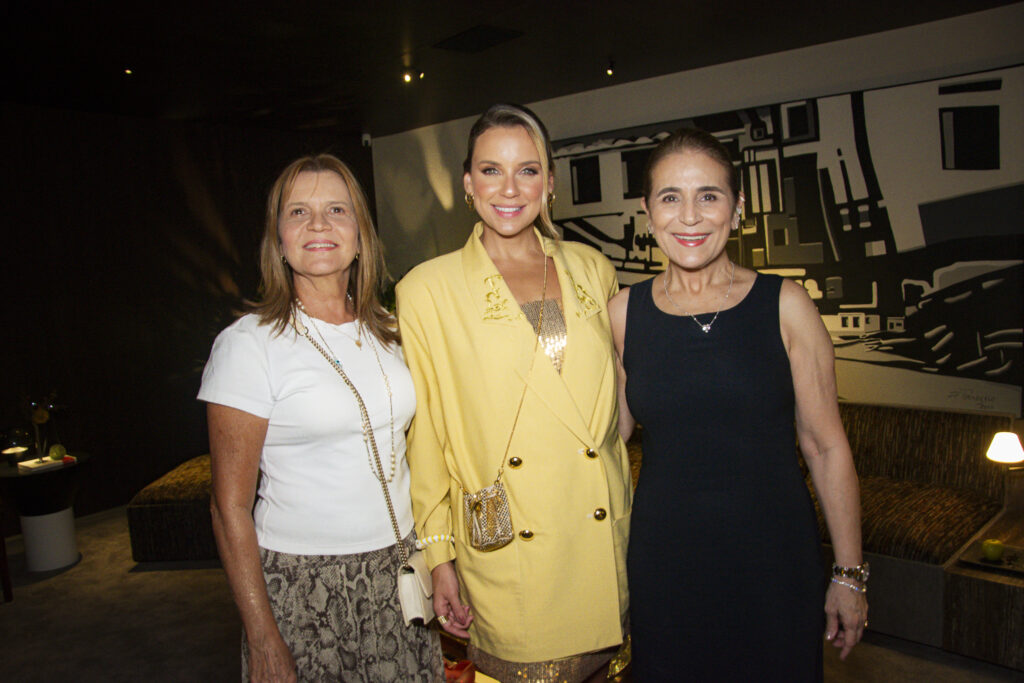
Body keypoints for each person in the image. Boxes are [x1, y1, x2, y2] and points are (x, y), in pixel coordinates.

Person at [609, 128, 867, 681]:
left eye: (709, 196)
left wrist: (849, 574)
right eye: (670, 198)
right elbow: (606, 438)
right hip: (666, 566)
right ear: (647, 212)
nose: (690, 217)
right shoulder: (623, 315)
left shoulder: (786, 305)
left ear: (738, 207)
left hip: (775, 564)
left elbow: (825, 446)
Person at [396, 104, 631, 682]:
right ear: (468, 183)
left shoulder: (592, 268)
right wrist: (439, 555)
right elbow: (426, 436)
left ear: (550, 184)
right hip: (509, 544)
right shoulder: (427, 289)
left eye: (527, 170)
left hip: (598, 537)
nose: (509, 187)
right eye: (490, 170)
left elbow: (613, 410)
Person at [198, 154, 442, 682]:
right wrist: (263, 637)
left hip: (400, 568)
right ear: (278, 238)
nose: (318, 225)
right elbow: (228, 507)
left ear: (360, 233)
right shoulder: (250, 345)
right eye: (298, 212)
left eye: (336, 209)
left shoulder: (393, 332)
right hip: (304, 586)